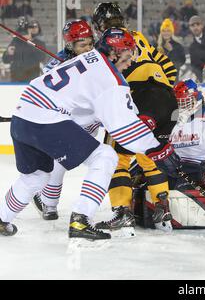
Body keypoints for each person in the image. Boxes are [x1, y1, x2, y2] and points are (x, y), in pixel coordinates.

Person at [0, 28, 181, 239]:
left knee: (35, 177)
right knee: (106, 156)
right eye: (128, 55)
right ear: (114, 53)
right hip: (46, 119)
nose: (130, 62)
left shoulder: (88, 58)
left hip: (23, 117)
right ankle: (81, 220)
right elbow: (126, 132)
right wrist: (159, 149)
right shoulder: (111, 79)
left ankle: (2, 218)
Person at [91, 3, 179, 234]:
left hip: (136, 100)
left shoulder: (105, 44)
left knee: (115, 157)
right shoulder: (139, 37)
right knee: (147, 153)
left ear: (99, 25)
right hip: (167, 100)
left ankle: (122, 215)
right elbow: (167, 66)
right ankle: (162, 210)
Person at [32, 19, 96, 220]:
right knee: (59, 164)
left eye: (90, 43)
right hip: (70, 120)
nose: (88, 48)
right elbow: (45, 86)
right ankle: (49, 206)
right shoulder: (58, 61)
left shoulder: (97, 57)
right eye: (82, 45)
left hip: (92, 119)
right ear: (70, 45)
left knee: (105, 160)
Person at [2, 16, 47, 82]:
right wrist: (8, 53)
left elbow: (42, 57)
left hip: (32, 78)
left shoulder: (39, 43)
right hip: (16, 78)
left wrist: (30, 42)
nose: (23, 33)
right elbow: (5, 60)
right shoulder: (15, 41)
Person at [188, 15, 205, 83]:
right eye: (193, 25)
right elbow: (194, 65)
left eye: (197, 24)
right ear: (190, 28)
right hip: (203, 80)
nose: (195, 27)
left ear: (202, 25)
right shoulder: (192, 47)